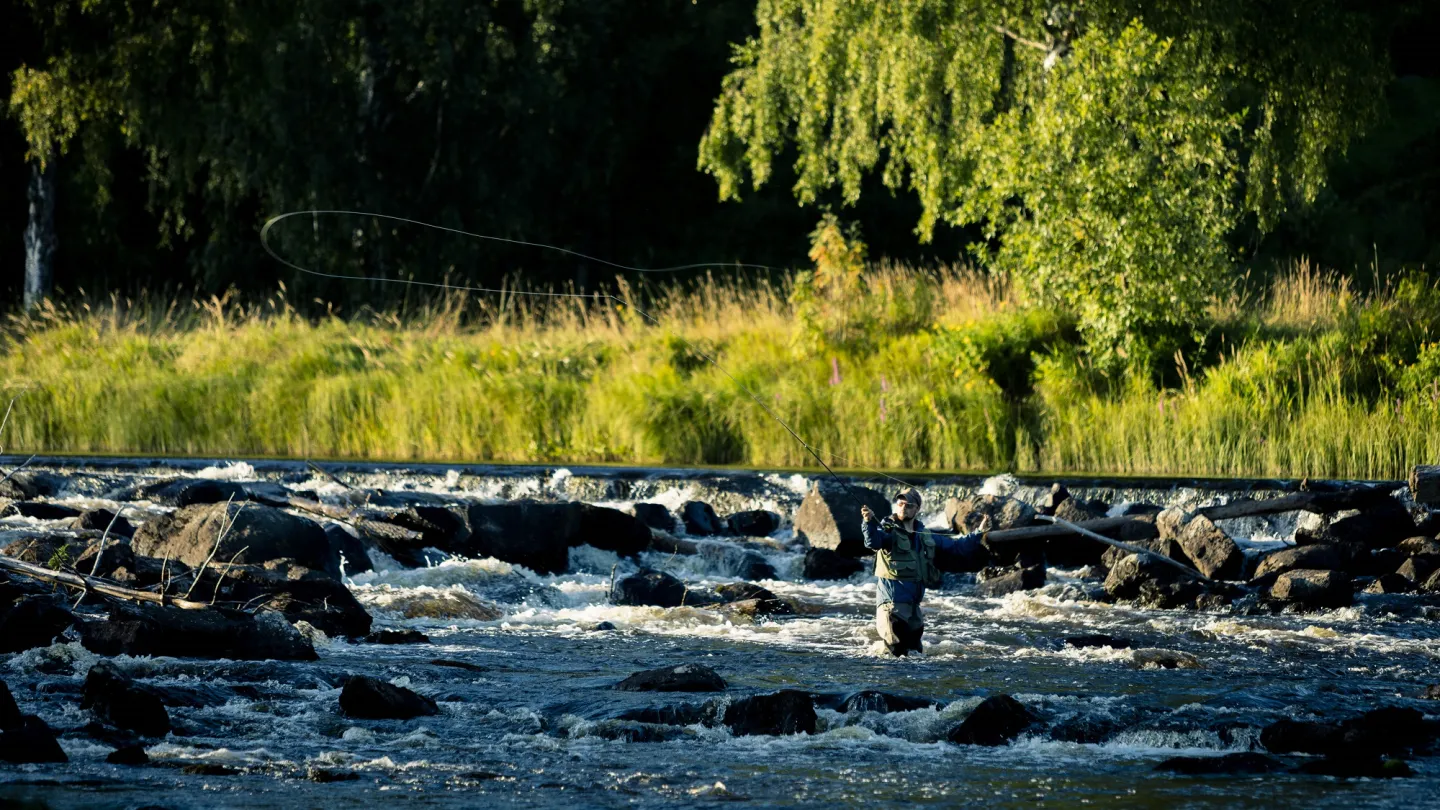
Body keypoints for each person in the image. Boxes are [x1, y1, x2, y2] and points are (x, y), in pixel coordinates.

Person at [861, 487, 987, 656]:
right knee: (897, 660)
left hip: (914, 610)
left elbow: (957, 546)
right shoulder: (887, 533)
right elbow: (872, 542)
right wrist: (868, 522)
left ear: (917, 509)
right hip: (892, 608)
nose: (903, 507)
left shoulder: (924, 536)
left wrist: (979, 533)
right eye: (900, 503)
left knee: (916, 657)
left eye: (908, 505)